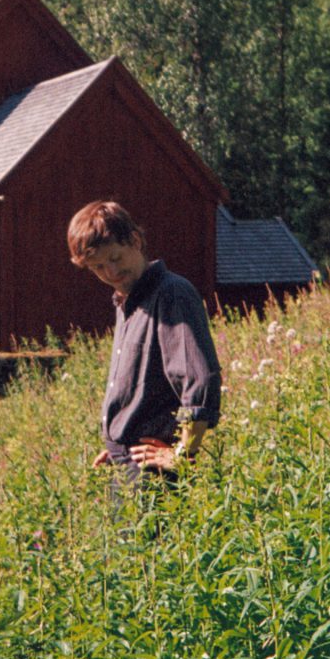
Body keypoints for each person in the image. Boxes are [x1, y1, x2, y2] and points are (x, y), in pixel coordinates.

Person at [67, 200, 222, 484]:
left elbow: (199, 379)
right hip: (126, 464)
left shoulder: (170, 294)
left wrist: (182, 454)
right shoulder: (127, 301)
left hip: (154, 474)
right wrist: (118, 443)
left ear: (135, 240)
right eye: (98, 266)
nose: (110, 273)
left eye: (115, 258)